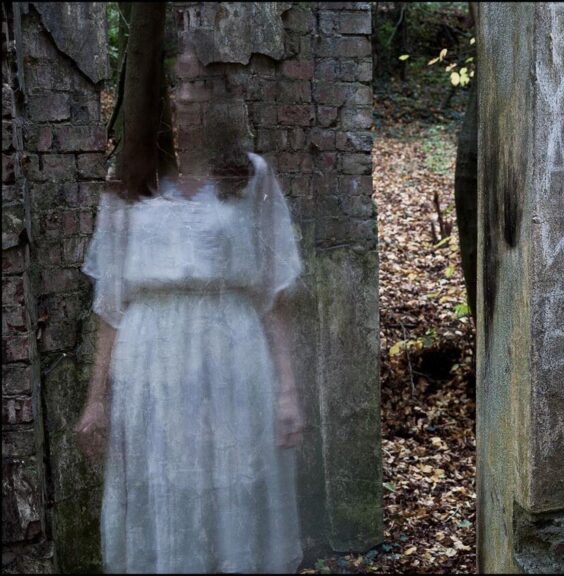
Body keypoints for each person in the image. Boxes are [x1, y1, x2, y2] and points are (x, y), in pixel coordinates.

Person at [74, 43, 305, 573]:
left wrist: (288, 392)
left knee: (234, 489)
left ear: (221, 97)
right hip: (151, 366)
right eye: (175, 84)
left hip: (233, 360)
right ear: (156, 97)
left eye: (200, 84)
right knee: (163, 487)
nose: (187, 97)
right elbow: (110, 302)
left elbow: (273, 291)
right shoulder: (129, 180)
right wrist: (96, 401)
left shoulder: (252, 177)